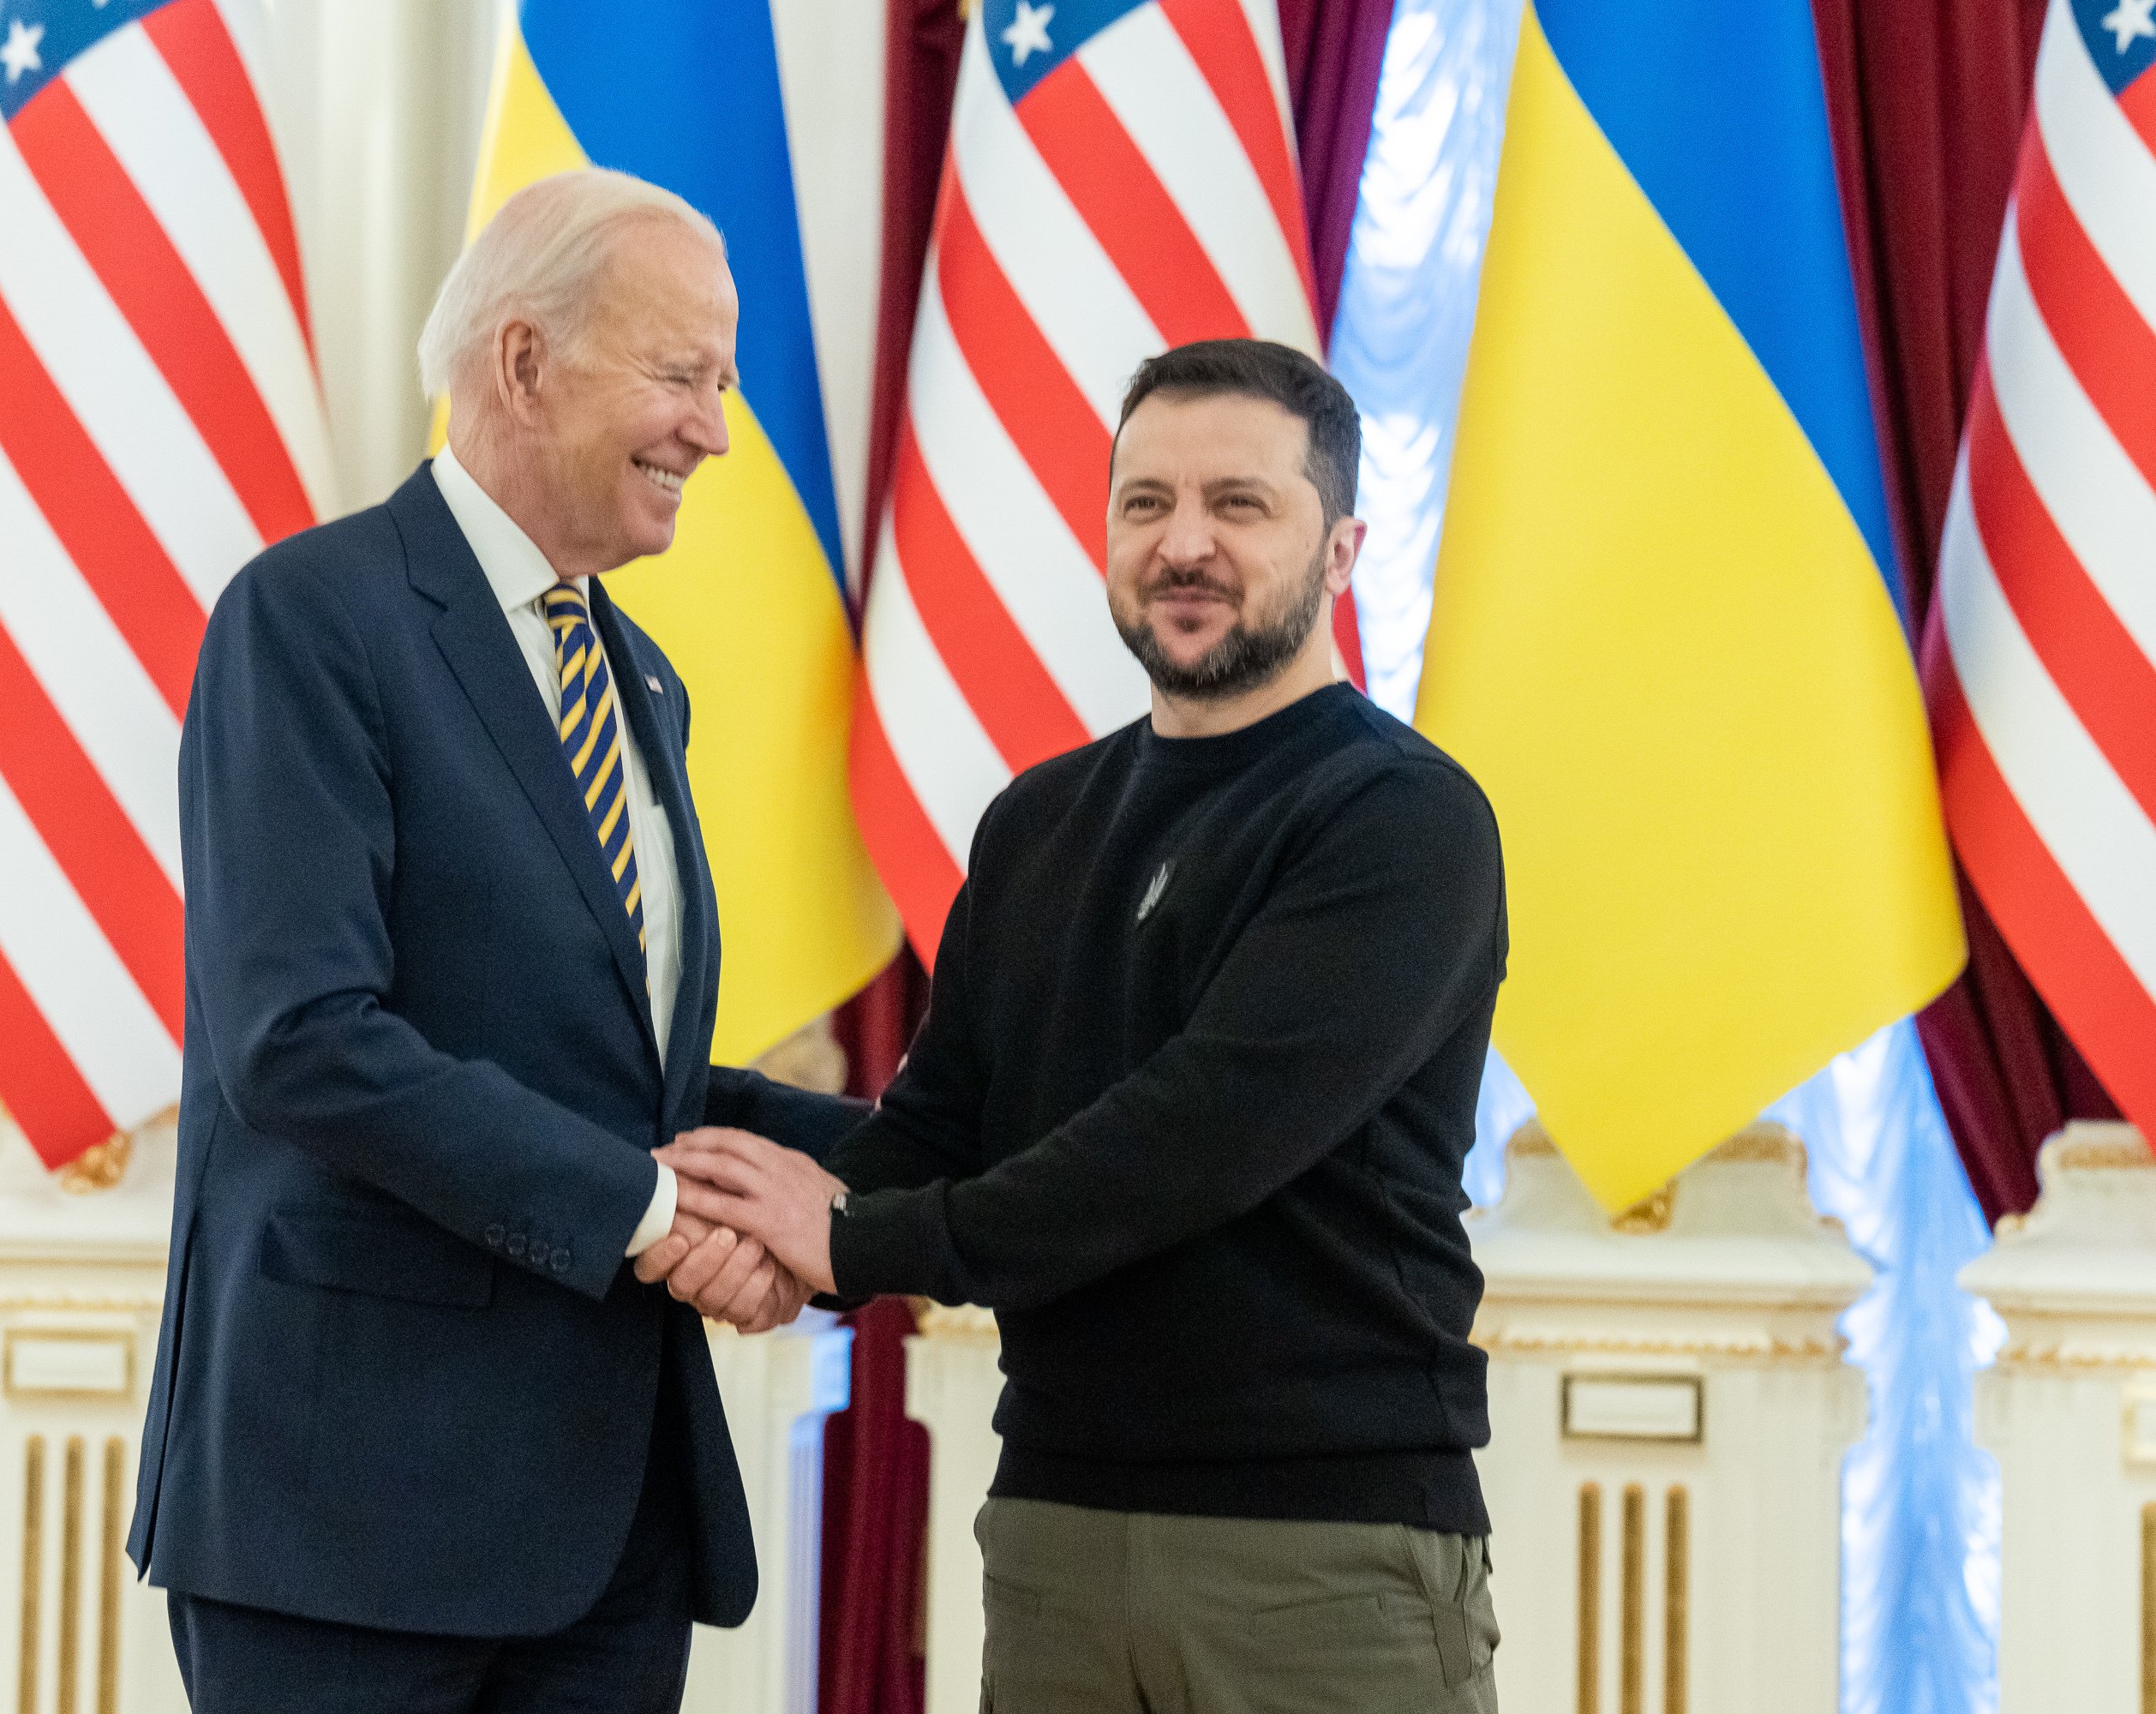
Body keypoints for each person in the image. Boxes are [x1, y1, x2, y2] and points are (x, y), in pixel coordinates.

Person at [650, 339, 1509, 1713]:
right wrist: (704, 1164)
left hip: (1322, 1556)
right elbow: (942, 1132)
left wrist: (850, 1244)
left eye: (1239, 504)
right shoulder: (1038, 821)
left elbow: (1193, 1141)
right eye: (1146, 502)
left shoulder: (1402, 820)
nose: (1184, 544)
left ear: (1342, 551)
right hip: (1053, 1534)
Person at [127, 167, 865, 1713]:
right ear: (525, 362)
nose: (717, 433)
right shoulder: (311, 618)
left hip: (606, 1535)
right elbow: (301, 1041)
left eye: (723, 385)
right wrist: (653, 1216)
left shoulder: (641, 677)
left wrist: (918, 1166)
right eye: (683, 376)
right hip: (349, 1525)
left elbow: (620, 1080)